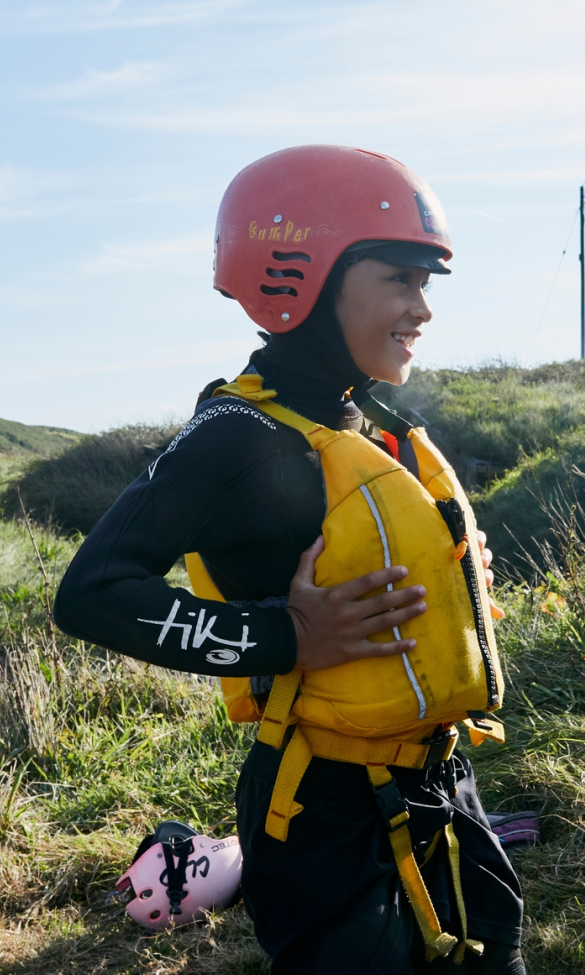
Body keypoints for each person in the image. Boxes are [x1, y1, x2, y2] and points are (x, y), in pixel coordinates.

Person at [55, 145, 525, 975]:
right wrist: (286, 636)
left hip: (441, 785)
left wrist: (454, 566)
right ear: (301, 276)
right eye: (400, 279)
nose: (422, 308)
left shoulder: (368, 423)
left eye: (427, 284)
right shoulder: (234, 434)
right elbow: (91, 594)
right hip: (322, 812)